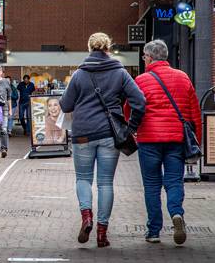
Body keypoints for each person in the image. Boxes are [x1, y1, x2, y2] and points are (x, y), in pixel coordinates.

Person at [59, 32, 145, 248]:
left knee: (83, 178)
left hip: (83, 133)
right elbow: (139, 101)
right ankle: (101, 233)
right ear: (109, 48)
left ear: (90, 48)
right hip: (110, 133)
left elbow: (66, 105)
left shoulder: (79, 74)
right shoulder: (120, 72)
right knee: (105, 182)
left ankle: (86, 216)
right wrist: (131, 128)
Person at [127, 40, 202, 245]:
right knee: (174, 181)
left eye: (144, 56)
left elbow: (129, 107)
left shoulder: (141, 80)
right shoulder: (183, 78)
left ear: (150, 57)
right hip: (176, 139)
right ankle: (177, 215)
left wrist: (131, 129)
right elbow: (195, 112)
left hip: (149, 139)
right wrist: (197, 141)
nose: (144, 59)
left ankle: (153, 231)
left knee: (151, 185)